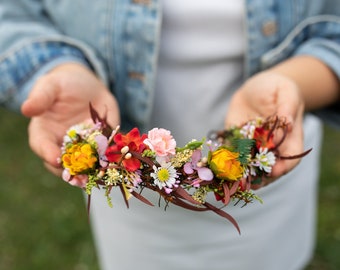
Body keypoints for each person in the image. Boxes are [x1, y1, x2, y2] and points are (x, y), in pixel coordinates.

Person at [0, 1, 339, 269]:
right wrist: (60, 67)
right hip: (130, 197)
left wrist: (296, 83)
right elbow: (12, 14)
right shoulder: (118, 160)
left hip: (264, 167)